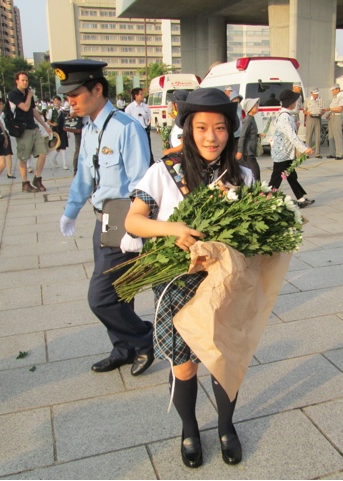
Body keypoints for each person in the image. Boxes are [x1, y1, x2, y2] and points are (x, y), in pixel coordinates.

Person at [125, 88, 255, 468]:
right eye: (201, 127)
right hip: (176, 284)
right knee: (184, 365)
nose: (211, 137)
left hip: (224, 286)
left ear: (230, 131)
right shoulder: (164, 171)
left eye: (220, 128)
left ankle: (227, 427)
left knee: (223, 360)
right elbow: (133, 221)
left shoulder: (243, 175)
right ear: (187, 129)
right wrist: (172, 229)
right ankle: (189, 429)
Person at [55, 59, 154, 376]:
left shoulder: (126, 127)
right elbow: (84, 176)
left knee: (100, 297)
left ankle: (144, 339)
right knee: (119, 290)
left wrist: (135, 230)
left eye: (75, 94)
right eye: (67, 96)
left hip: (123, 220)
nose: (70, 101)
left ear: (97, 89)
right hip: (103, 220)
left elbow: (141, 183)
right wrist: (71, 212)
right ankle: (123, 349)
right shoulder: (90, 128)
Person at [269, 89, 315, 208]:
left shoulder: (286, 114)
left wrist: (295, 125)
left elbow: (288, 131)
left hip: (285, 152)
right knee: (276, 178)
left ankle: (301, 199)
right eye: (295, 101)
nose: (296, 103)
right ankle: (266, 200)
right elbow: (292, 136)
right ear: (290, 102)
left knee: (291, 175)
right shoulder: (285, 116)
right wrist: (304, 149)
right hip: (282, 153)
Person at [8, 71, 53, 193]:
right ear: (17, 81)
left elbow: (33, 111)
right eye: (22, 80)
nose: (25, 82)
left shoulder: (28, 94)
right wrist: (29, 95)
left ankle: (37, 178)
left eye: (26, 80)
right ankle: (25, 182)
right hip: (22, 129)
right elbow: (25, 107)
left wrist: (45, 125)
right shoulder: (13, 94)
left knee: (43, 152)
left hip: (33, 127)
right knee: (24, 157)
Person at [125, 87, 154, 165]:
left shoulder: (145, 106)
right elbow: (127, 122)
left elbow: (149, 117)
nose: (142, 95)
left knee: (148, 148)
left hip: (145, 130)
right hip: (135, 132)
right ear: (136, 96)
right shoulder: (129, 108)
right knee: (137, 149)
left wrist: (148, 125)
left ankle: (150, 163)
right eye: (140, 94)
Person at [236, 97, 262, 181]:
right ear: (250, 107)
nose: (257, 107)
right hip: (247, 152)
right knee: (256, 173)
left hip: (250, 151)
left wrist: (258, 135)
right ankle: (257, 188)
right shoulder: (248, 120)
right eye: (255, 105)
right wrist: (240, 151)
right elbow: (242, 135)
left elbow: (249, 134)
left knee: (253, 173)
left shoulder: (251, 118)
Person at [162, 89, 189, 157]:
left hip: (181, 156)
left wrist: (169, 151)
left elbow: (184, 145)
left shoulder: (183, 120)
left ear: (176, 104)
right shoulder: (180, 117)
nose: (172, 104)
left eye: (173, 102)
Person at [0, 97, 16, 179]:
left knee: (8, 154)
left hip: (5, 134)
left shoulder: (5, 114)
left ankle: (9, 173)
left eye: (2, 104)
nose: (1, 106)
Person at [47, 95, 70, 170]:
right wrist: (52, 124)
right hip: (55, 131)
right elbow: (48, 121)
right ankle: (53, 158)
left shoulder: (63, 110)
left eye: (58, 100)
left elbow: (66, 121)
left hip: (63, 130)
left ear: (60, 102)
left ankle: (64, 164)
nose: (56, 102)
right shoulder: (51, 111)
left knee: (63, 147)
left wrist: (68, 132)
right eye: (55, 100)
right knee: (58, 147)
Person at [304, 87, 326, 159]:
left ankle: (317, 153)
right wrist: (307, 113)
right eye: (314, 94)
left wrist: (322, 113)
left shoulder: (321, 99)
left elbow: (323, 109)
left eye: (317, 94)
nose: (316, 95)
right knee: (308, 137)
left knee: (318, 136)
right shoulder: (307, 100)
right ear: (311, 93)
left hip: (318, 118)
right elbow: (304, 110)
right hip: (310, 118)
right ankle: (307, 154)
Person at [327, 84, 343, 160]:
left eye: (333, 90)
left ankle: (339, 154)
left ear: (338, 89)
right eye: (332, 90)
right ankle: (332, 153)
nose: (332, 91)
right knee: (331, 135)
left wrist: (329, 109)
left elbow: (339, 109)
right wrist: (329, 113)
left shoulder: (341, 97)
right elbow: (333, 108)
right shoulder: (334, 97)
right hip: (332, 116)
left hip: (337, 116)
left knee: (337, 135)